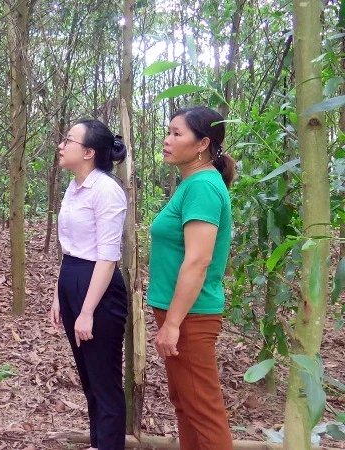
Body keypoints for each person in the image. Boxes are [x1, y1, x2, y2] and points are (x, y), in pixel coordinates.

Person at [148, 106, 236, 450]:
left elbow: (198, 261)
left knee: (203, 410)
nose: (167, 140)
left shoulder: (202, 187)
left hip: (191, 315)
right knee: (187, 404)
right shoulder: (193, 183)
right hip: (180, 312)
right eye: (167, 132)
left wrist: (173, 324)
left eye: (176, 133)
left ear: (202, 144)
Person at [49, 119, 129, 450]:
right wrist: (58, 294)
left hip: (99, 288)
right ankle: (99, 443)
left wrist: (87, 311)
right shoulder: (74, 186)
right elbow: (70, 247)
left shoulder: (107, 190)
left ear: (89, 152)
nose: (61, 145)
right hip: (73, 278)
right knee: (89, 378)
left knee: (105, 381)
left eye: (69, 140)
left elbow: (107, 257)